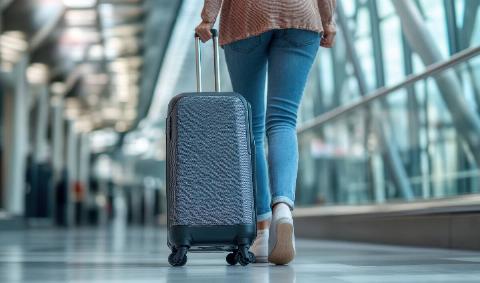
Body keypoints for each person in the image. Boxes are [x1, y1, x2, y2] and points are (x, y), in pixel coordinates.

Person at [196, 0, 337, 265]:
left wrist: (207, 19)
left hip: (246, 15)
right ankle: (283, 208)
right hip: (301, 14)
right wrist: (328, 20)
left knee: (252, 127)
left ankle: (262, 228)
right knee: (284, 119)